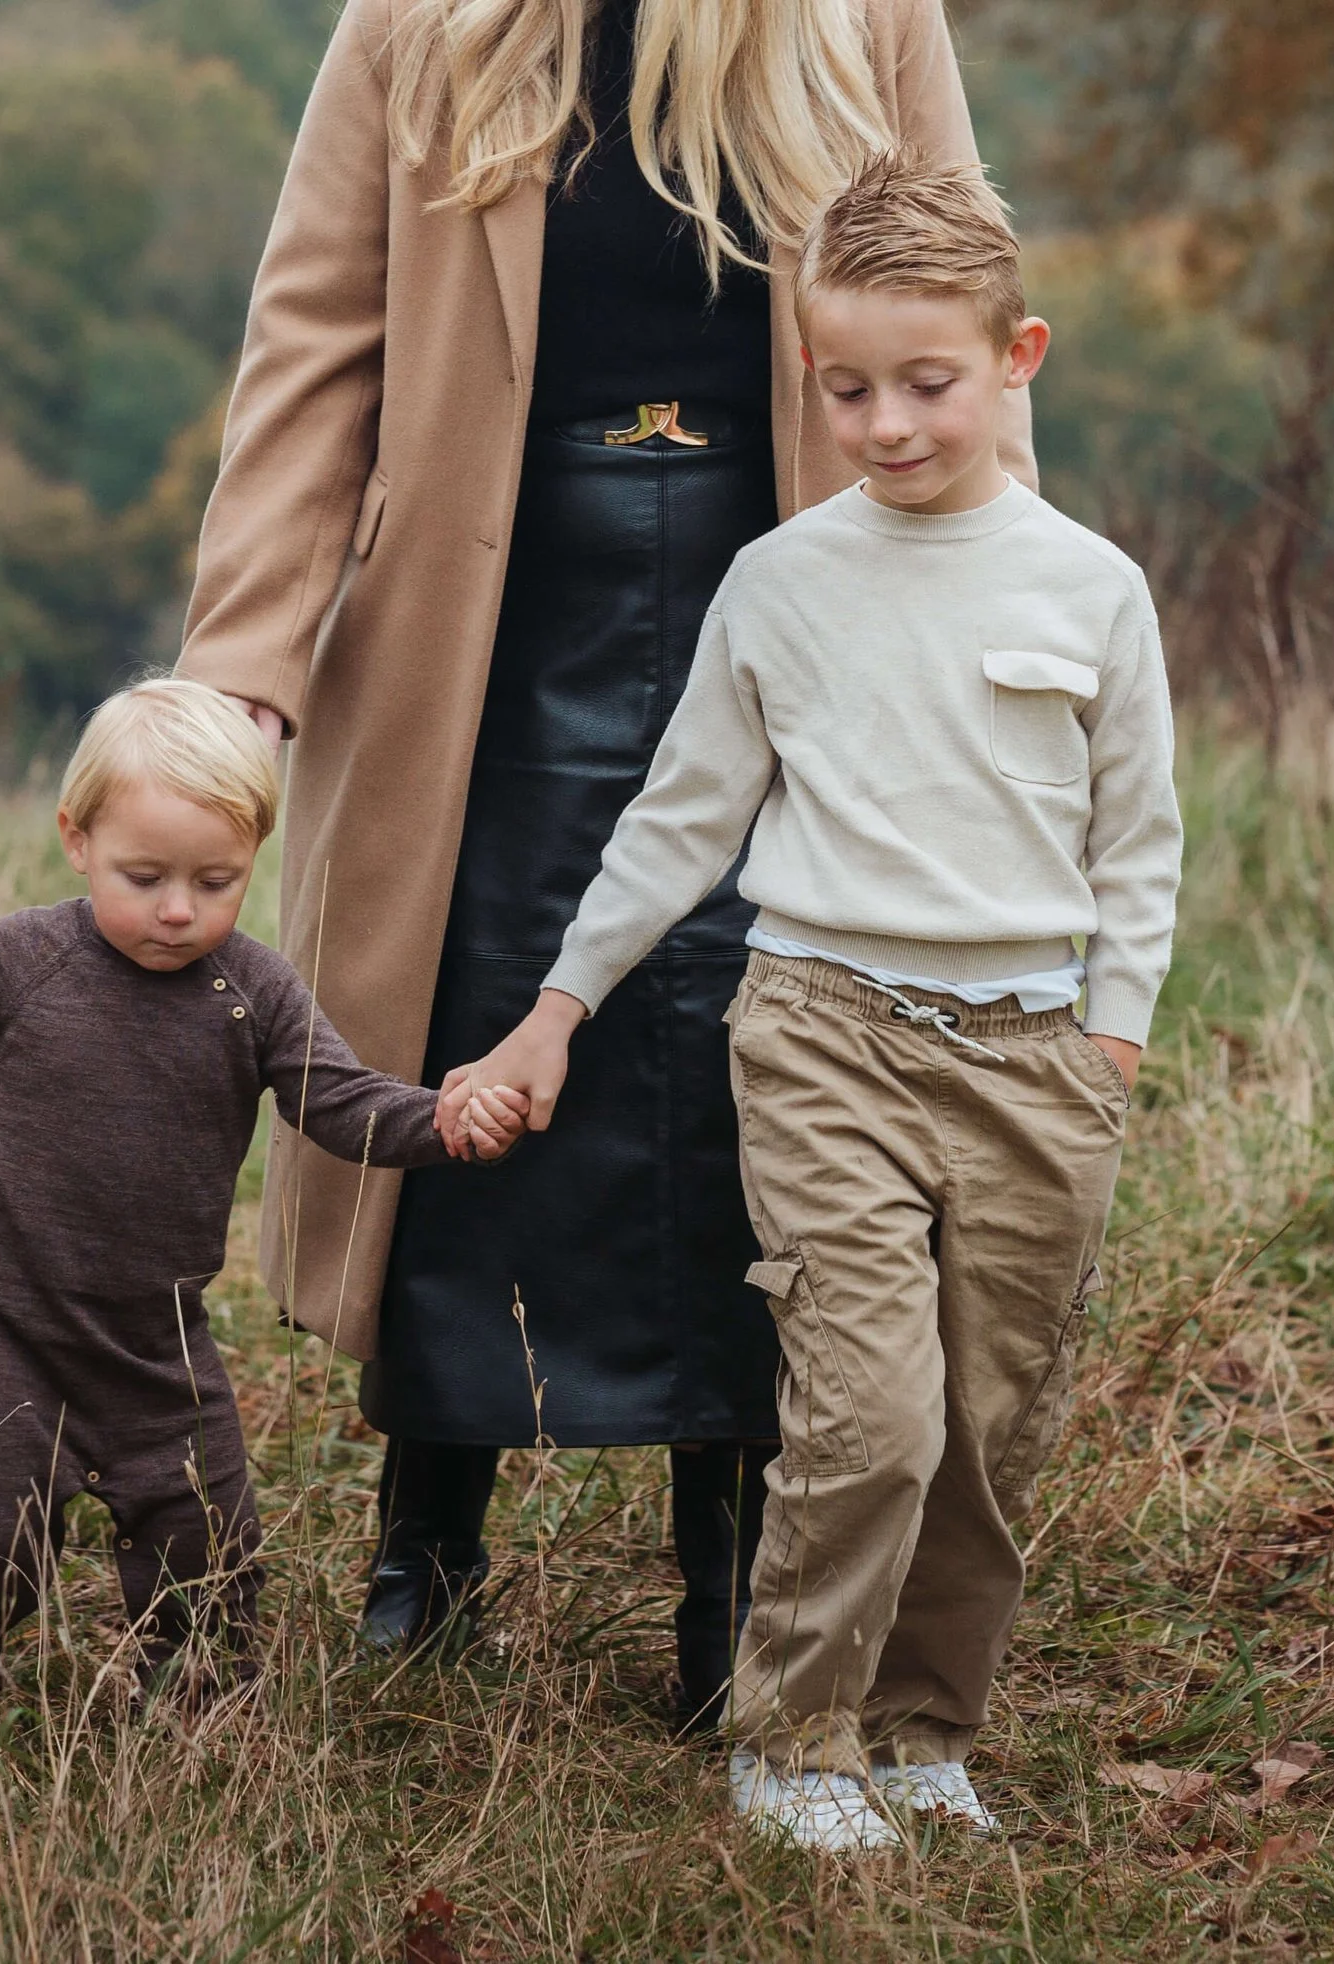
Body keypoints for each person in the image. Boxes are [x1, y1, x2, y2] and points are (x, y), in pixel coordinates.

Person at [178, 0, 1031, 1715]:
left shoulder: (867, 18)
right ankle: (430, 1527)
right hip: (483, 631)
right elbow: (314, 354)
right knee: (467, 1029)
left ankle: (737, 1572)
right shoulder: (415, 26)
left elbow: (959, 309)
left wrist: (1001, 634)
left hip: (799, 603)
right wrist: (235, 688)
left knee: (767, 1073)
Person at [453, 156, 1183, 1850]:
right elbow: (681, 820)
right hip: (824, 1027)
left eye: (926, 383)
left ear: (1021, 357)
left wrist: (1114, 1034)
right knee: (870, 1407)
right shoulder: (782, 582)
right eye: (844, 386)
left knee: (990, 1426)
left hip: (1032, 1056)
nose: (886, 423)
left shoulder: (1092, 590)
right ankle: (794, 1738)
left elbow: (1137, 841)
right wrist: (560, 1003)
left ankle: (928, 1725)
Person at [0, 680, 529, 1695]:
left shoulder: (256, 990)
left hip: (156, 1340)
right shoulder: (21, 959)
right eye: (143, 875)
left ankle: (197, 1705)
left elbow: (340, 1101)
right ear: (77, 839)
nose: (179, 908)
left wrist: (446, 1120)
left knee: (207, 1544)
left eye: (217, 880)